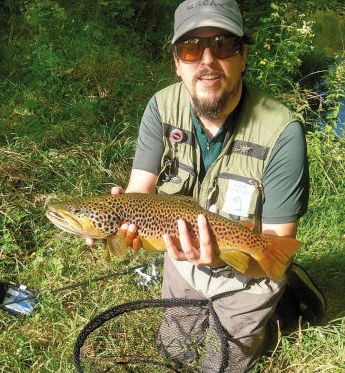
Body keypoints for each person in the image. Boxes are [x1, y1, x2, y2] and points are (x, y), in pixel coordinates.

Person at [87, 0, 324, 371]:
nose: (207, 59)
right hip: (181, 266)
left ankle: (283, 309)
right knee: (174, 352)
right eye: (190, 47)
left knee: (221, 365)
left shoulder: (283, 132)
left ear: (243, 55)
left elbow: (275, 254)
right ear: (177, 63)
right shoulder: (161, 108)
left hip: (246, 277)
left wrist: (223, 257)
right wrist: (115, 224)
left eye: (223, 44)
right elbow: (138, 195)